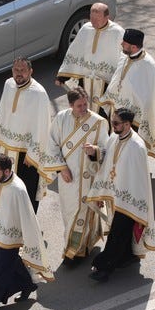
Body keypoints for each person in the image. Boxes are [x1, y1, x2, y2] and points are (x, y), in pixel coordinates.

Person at [0, 154, 53, 310]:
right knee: (11, 264)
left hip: (10, 240)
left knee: (0, 274)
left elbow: (27, 218)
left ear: (7, 171)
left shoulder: (18, 190)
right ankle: (27, 284)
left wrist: (27, 240)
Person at [84, 109, 155, 283]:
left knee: (117, 233)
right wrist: (94, 152)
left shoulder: (137, 146)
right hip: (116, 195)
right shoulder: (115, 137)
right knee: (122, 233)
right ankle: (127, 257)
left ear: (127, 124)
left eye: (116, 123)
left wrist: (130, 199)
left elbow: (138, 180)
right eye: (112, 122)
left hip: (131, 199)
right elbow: (107, 157)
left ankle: (104, 267)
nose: (113, 125)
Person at [47, 88, 109, 265]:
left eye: (85, 104)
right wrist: (61, 168)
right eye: (79, 106)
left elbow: (106, 149)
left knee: (81, 212)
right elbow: (51, 144)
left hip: (88, 178)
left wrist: (95, 151)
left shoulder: (98, 122)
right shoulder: (61, 118)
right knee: (69, 214)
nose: (83, 108)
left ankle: (74, 252)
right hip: (67, 178)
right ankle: (85, 244)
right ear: (70, 105)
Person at [0, 58, 52, 209]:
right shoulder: (8, 84)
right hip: (6, 147)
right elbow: (2, 112)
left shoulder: (39, 93)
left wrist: (33, 154)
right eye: (16, 70)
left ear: (31, 71)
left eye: (22, 70)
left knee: (26, 193)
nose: (18, 74)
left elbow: (42, 126)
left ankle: (27, 221)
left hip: (26, 155)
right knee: (3, 188)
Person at [102, 28, 155, 158]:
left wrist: (137, 115)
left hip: (134, 117)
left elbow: (148, 95)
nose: (121, 44)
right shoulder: (125, 57)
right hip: (118, 109)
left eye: (124, 43)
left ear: (133, 47)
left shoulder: (148, 65)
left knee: (129, 148)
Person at [57, 3, 125, 107]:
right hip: (85, 79)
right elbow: (75, 51)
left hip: (106, 82)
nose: (93, 22)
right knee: (84, 107)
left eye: (97, 19)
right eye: (91, 18)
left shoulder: (117, 32)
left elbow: (124, 58)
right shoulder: (86, 28)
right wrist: (62, 77)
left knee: (103, 110)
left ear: (107, 17)